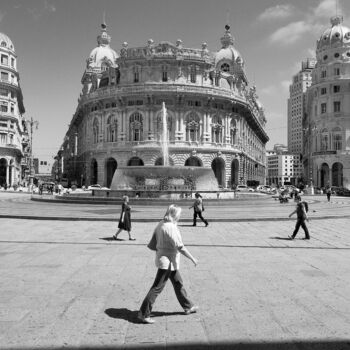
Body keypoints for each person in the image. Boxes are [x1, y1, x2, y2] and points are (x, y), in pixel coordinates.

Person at [138, 204, 198, 324]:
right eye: (179, 215)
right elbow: (180, 247)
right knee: (157, 288)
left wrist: (161, 250)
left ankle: (188, 306)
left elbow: (153, 242)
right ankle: (144, 314)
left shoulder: (161, 223)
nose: (180, 217)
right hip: (168, 262)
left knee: (178, 283)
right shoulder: (171, 227)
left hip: (165, 259)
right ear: (175, 215)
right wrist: (192, 258)